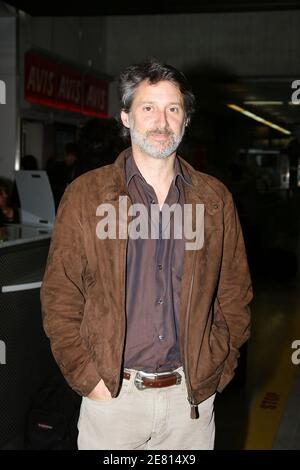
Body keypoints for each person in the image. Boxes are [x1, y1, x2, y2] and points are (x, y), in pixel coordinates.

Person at [41, 59, 252, 450]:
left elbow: (234, 295)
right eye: (148, 108)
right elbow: (60, 296)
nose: (162, 121)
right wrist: (88, 377)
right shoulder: (87, 196)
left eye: (173, 109)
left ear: (186, 119)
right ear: (126, 117)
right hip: (112, 400)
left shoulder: (214, 200)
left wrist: (217, 368)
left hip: (191, 402)